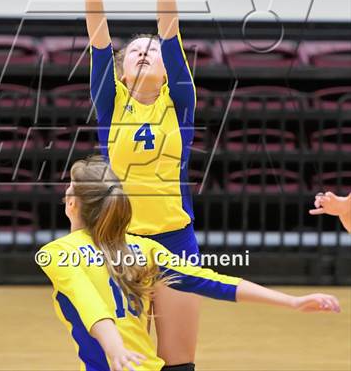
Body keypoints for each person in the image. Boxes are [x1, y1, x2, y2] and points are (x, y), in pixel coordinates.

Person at [37, 155, 340, 371]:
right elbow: (211, 281)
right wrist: (292, 301)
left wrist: (115, 349)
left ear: (72, 204)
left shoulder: (57, 253)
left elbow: (92, 307)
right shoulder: (145, 249)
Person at [79, 0, 202, 367]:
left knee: (178, 361)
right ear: (123, 73)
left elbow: (171, 34)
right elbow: (98, 46)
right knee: (125, 361)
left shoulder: (179, 102)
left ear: (169, 71)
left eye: (152, 50)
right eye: (135, 51)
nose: (146, 52)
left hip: (175, 242)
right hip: (119, 243)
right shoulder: (112, 104)